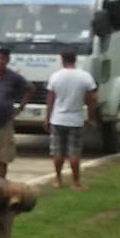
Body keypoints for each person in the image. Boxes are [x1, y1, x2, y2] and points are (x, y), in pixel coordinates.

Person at [43, 47, 99, 189]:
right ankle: (75, 182)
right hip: (75, 119)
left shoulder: (55, 76)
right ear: (76, 59)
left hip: (57, 119)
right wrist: (92, 119)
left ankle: (58, 180)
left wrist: (47, 118)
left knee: (57, 151)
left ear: (62, 59)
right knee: (74, 151)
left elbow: (50, 100)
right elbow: (92, 99)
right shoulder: (85, 77)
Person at [0, 46, 31, 177]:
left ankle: (1, 181)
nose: (0, 61)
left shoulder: (13, 77)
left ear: (7, 60)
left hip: (3, 121)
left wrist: (20, 107)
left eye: (3, 59)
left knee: (3, 155)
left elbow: (30, 89)